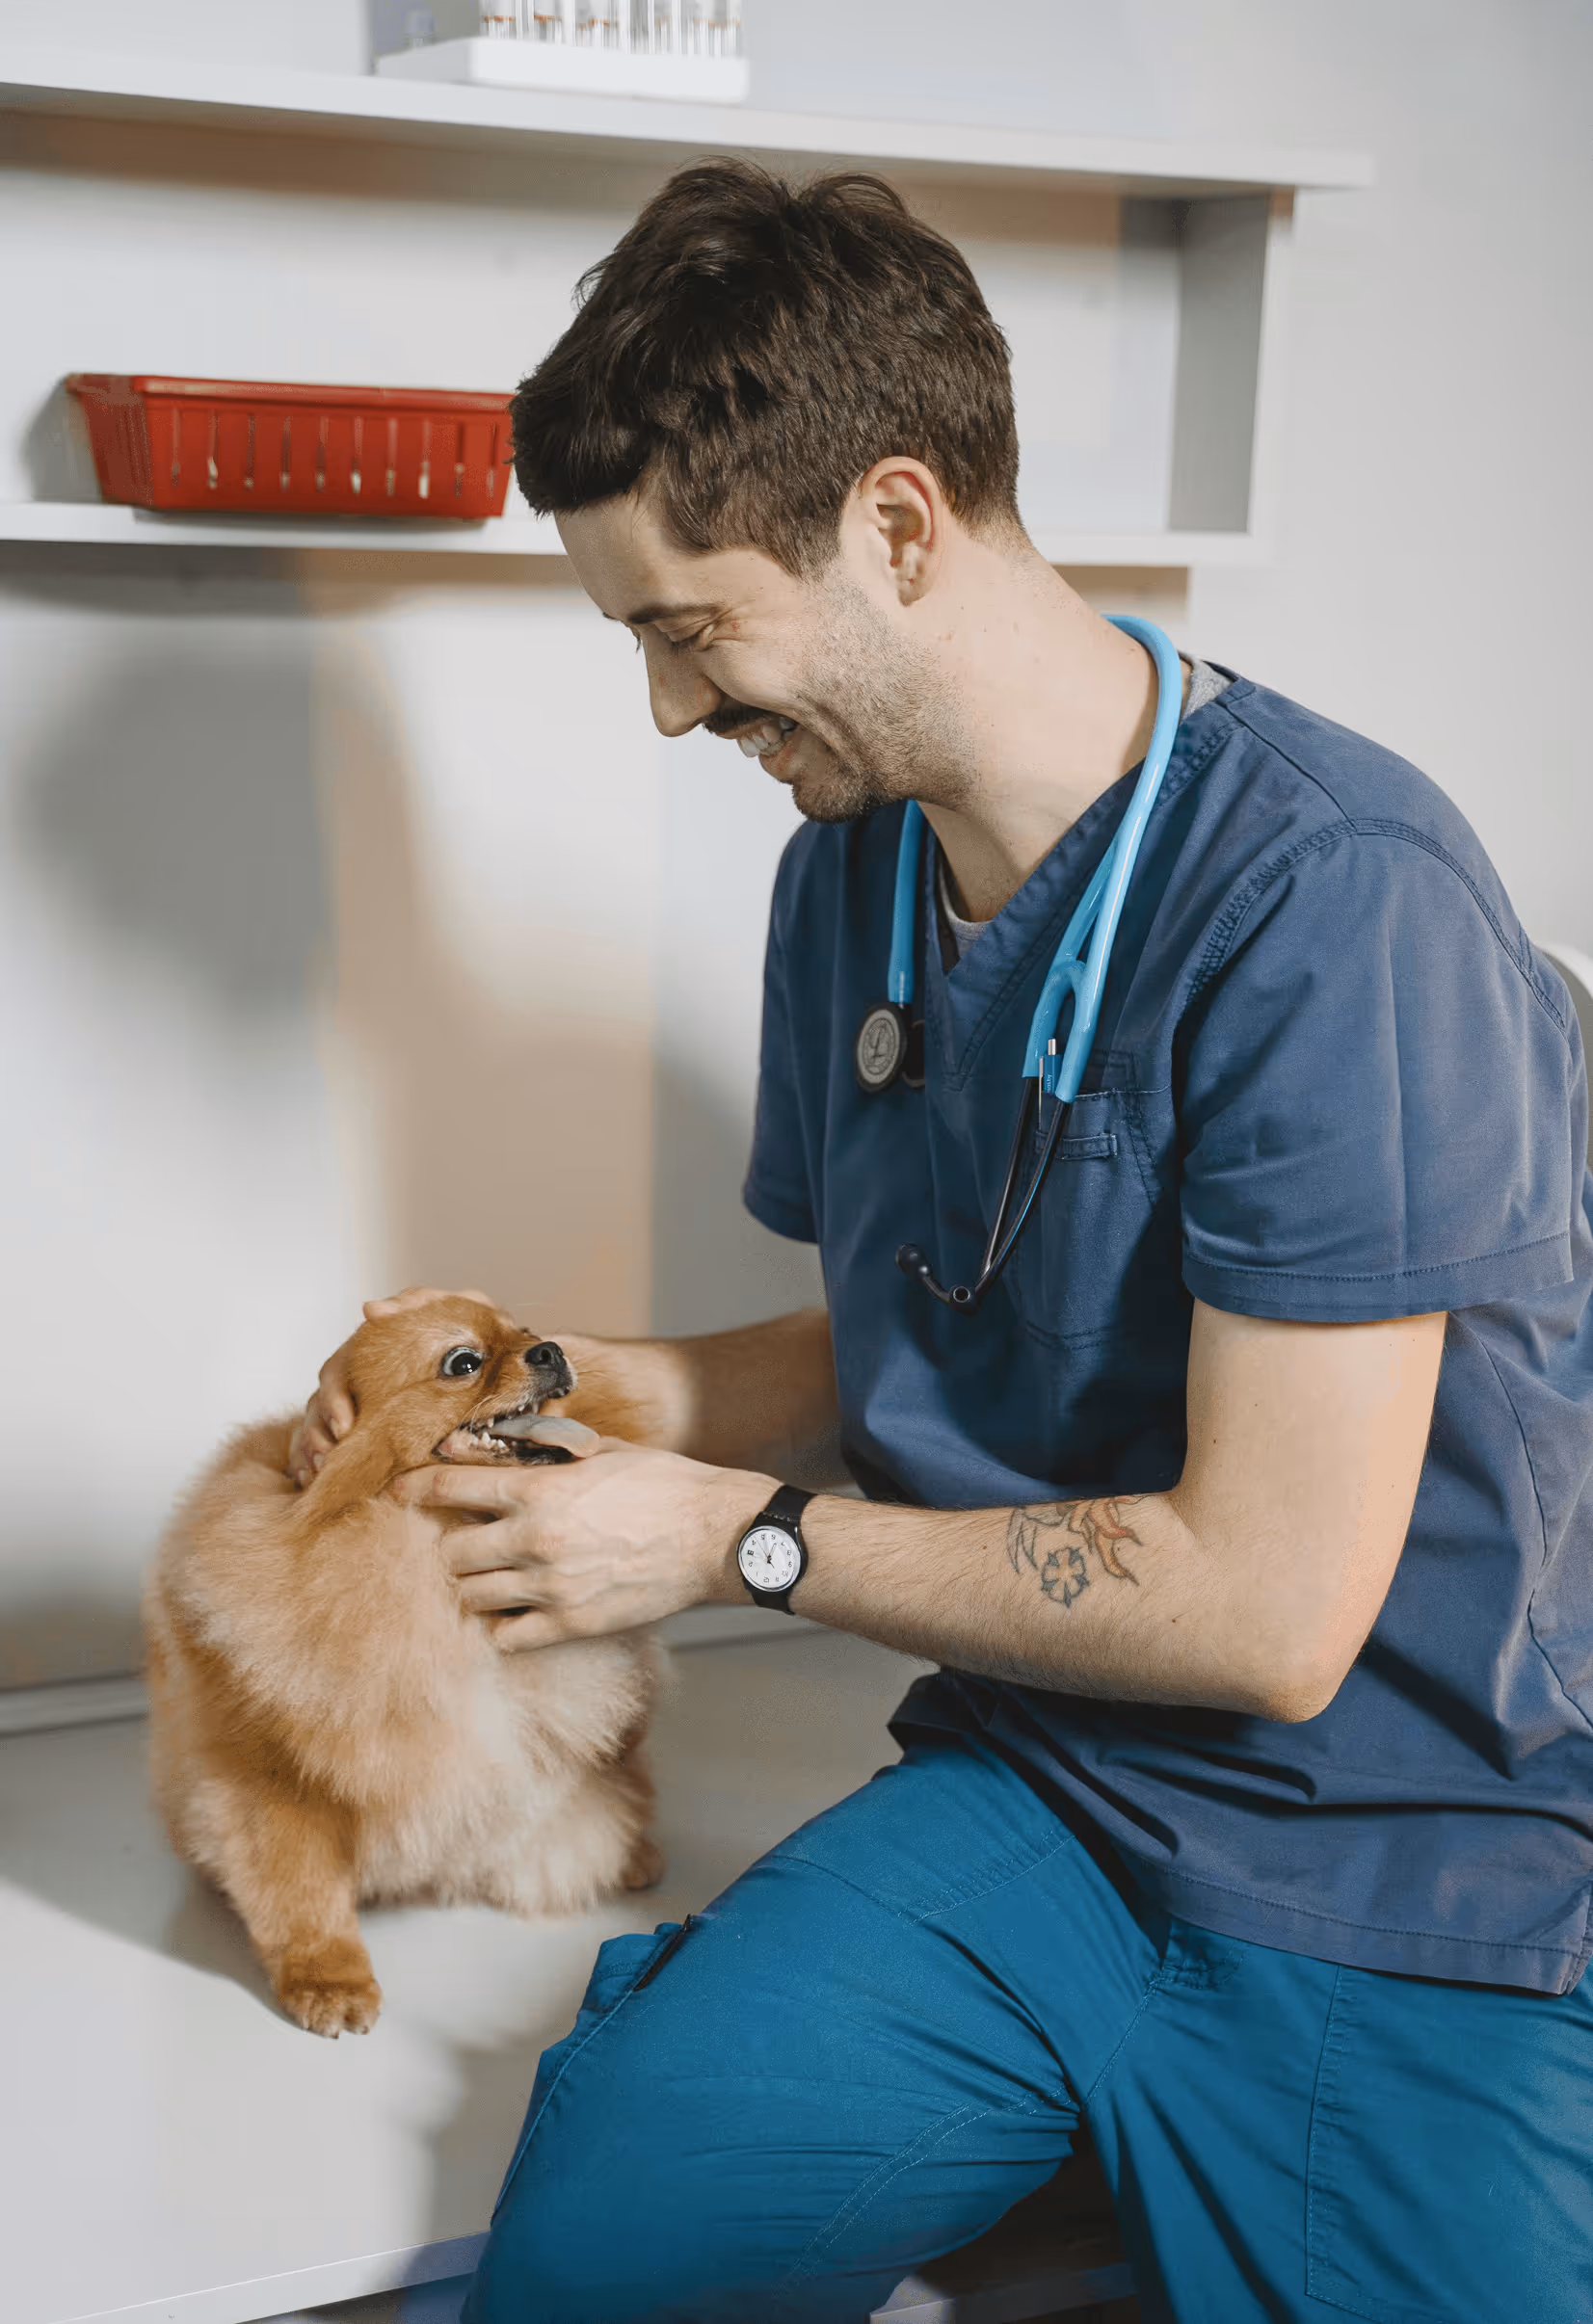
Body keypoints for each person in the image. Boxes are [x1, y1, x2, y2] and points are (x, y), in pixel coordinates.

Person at [291, 163, 1593, 2322]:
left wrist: (728, 1540)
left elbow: (1270, 1613)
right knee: (599, 2256)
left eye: (684, 631)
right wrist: (537, 1403)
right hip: (1039, 1798)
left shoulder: (1338, 906)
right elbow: (912, 1345)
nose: (668, 714)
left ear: (895, 527)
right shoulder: (850, 878)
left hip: (1390, 1861)